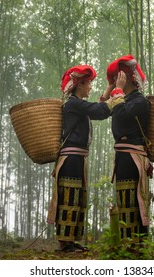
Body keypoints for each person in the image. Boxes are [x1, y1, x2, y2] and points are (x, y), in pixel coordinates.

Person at [47, 65, 114, 252]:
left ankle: (71, 240)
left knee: (77, 199)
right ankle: (64, 242)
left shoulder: (77, 105)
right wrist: (116, 100)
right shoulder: (73, 104)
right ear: (79, 85)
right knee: (69, 198)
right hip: (70, 159)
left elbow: (97, 107)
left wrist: (110, 89)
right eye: (89, 83)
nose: (90, 87)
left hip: (77, 159)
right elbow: (99, 110)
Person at [106, 54, 152, 244]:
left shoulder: (140, 101)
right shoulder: (123, 99)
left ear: (127, 78)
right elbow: (105, 108)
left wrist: (117, 91)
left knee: (135, 199)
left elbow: (123, 115)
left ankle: (137, 244)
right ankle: (126, 243)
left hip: (134, 157)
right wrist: (112, 89)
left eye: (120, 77)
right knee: (124, 197)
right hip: (123, 156)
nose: (118, 81)